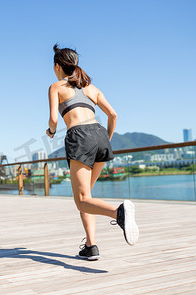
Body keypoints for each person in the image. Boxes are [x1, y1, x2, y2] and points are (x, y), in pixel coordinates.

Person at [46, 44, 139, 260]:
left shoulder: (55, 87)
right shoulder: (91, 88)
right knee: (86, 196)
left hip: (79, 137)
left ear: (57, 66)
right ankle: (91, 246)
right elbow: (113, 115)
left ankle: (120, 214)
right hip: (100, 136)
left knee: (81, 199)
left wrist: (50, 132)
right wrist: (105, 139)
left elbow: (53, 120)